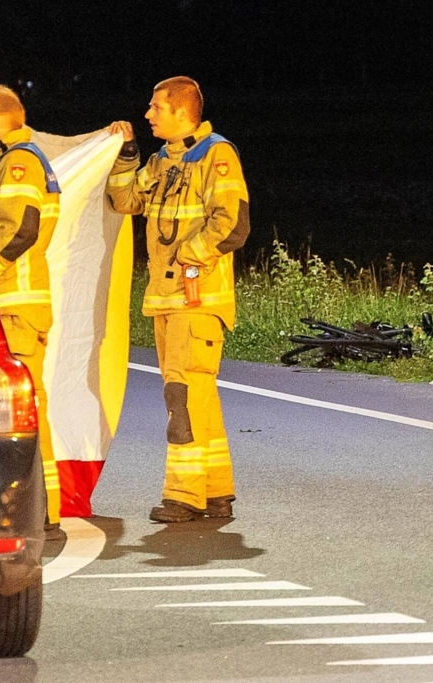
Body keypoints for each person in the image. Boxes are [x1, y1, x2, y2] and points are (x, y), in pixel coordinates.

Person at [106, 76, 250, 523]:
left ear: (182, 111)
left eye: (155, 108)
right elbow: (126, 201)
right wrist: (126, 155)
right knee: (198, 396)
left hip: (198, 300)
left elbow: (233, 224)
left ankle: (183, 495)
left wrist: (190, 255)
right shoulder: (162, 160)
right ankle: (216, 491)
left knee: (182, 396)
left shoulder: (216, 156)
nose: (147, 114)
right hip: (167, 300)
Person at [0, 85, 62, 528]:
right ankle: (38, 510)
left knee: (23, 413)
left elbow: (20, 230)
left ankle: (41, 512)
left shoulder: (19, 162)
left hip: (14, 308)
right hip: (5, 310)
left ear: (3, 119)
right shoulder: (2, 163)